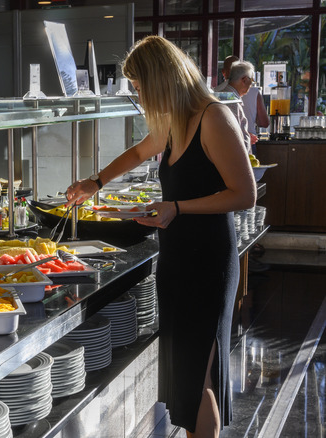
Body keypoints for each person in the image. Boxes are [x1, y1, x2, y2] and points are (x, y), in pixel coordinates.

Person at [65, 36, 256, 437]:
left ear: (160, 80)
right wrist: (95, 181)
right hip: (177, 259)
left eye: (139, 87)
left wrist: (179, 207)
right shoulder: (174, 120)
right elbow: (137, 152)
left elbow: (245, 194)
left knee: (198, 377)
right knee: (186, 381)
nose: (138, 95)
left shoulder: (212, 117)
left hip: (209, 263)